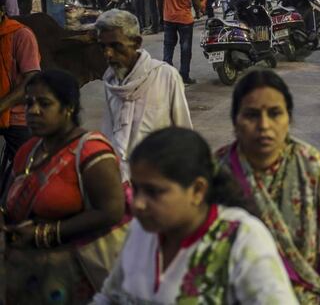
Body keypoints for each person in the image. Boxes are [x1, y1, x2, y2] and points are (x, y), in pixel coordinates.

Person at [93, 127, 299, 304]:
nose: (137, 203)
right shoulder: (141, 230)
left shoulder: (242, 238)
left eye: (154, 192)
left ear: (197, 191)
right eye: (136, 189)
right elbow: (110, 296)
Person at [217, 71, 320, 305]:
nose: (264, 125)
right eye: (251, 115)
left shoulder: (311, 165)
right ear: (235, 120)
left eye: (275, 113)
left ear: (289, 118)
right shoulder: (216, 174)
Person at [3, 70, 127, 303]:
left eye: (45, 103)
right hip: (29, 273)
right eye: (28, 103)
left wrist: (45, 234)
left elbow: (111, 211)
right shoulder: (28, 151)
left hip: (77, 274)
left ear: (68, 107)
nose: (33, 111)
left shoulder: (91, 151)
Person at [95, 9, 192, 181]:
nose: (108, 54)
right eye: (103, 47)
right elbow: (110, 135)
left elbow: (183, 133)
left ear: (137, 42)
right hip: (120, 182)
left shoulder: (165, 75)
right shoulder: (110, 82)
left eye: (116, 46)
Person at [0, 0, 40, 178]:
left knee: (29, 170)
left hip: (16, 115)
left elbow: (30, 79)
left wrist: (2, 106)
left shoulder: (21, 35)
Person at [158, 0, 202, 85]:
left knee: (168, 47)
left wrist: (161, 14)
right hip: (185, 19)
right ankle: (184, 76)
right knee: (185, 49)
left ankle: (167, 77)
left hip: (168, 18)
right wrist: (199, 12)